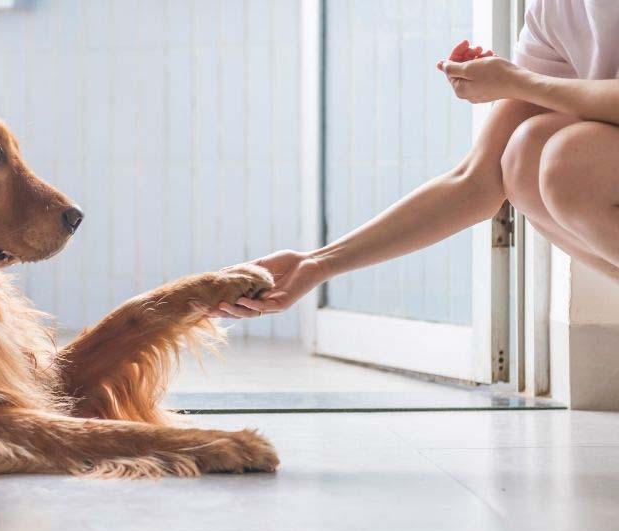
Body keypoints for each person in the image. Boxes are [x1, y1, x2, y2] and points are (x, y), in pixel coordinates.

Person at [213, 0, 619, 320]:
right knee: (523, 157)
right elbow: (475, 182)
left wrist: (518, 82)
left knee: (571, 162)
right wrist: (315, 264)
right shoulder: (556, 12)